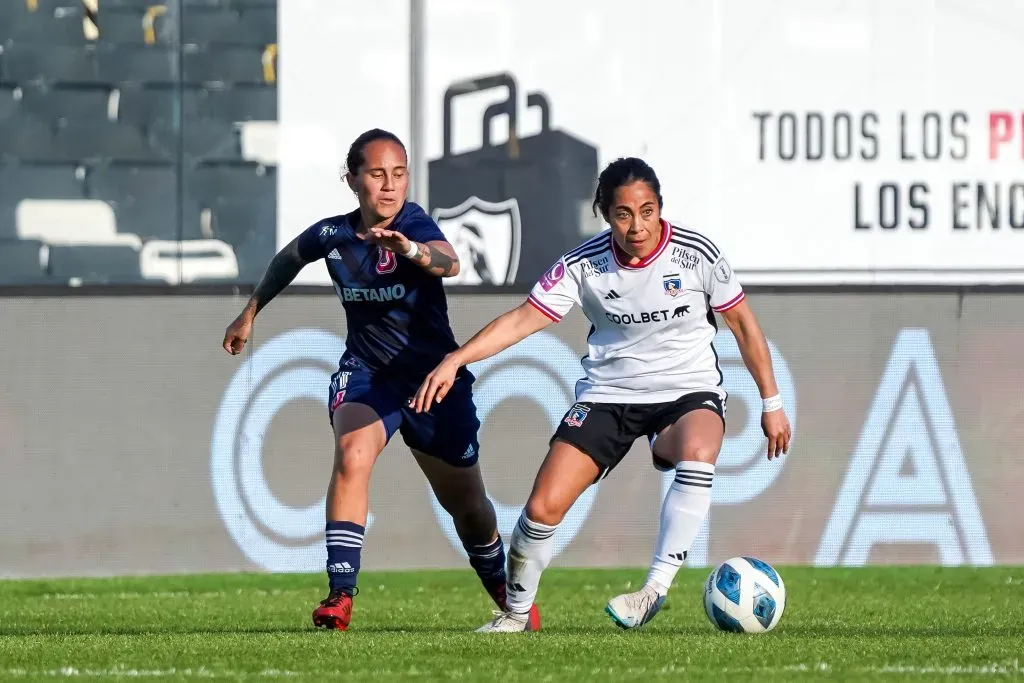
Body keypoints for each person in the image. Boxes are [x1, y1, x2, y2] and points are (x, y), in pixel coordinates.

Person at [412, 157, 792, 632]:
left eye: (647, 211)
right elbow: (521, 320)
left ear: (660, 208)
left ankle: (654, 590)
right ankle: (515, 615)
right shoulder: (582, 264)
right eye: (624, 214)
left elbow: (744, 328)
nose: (637, 226)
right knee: (541, 509)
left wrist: (771, 403)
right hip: (609, 394)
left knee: (699, 448)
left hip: (686, 390)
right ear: (605, 213)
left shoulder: (698, 254)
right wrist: (456, 359)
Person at [222, 129, 540, 632]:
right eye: (377, 175)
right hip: (369, 375)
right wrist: (250, 312)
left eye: (399, 174)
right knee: (352, 455)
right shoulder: (333, 236)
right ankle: (339, 596)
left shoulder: (412, 223)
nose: (390, 186)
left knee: (468, 506)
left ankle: (506, 591)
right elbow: (289, 258)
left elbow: (448, 262)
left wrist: (411, 250)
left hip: (434, 380)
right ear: (351, 180)